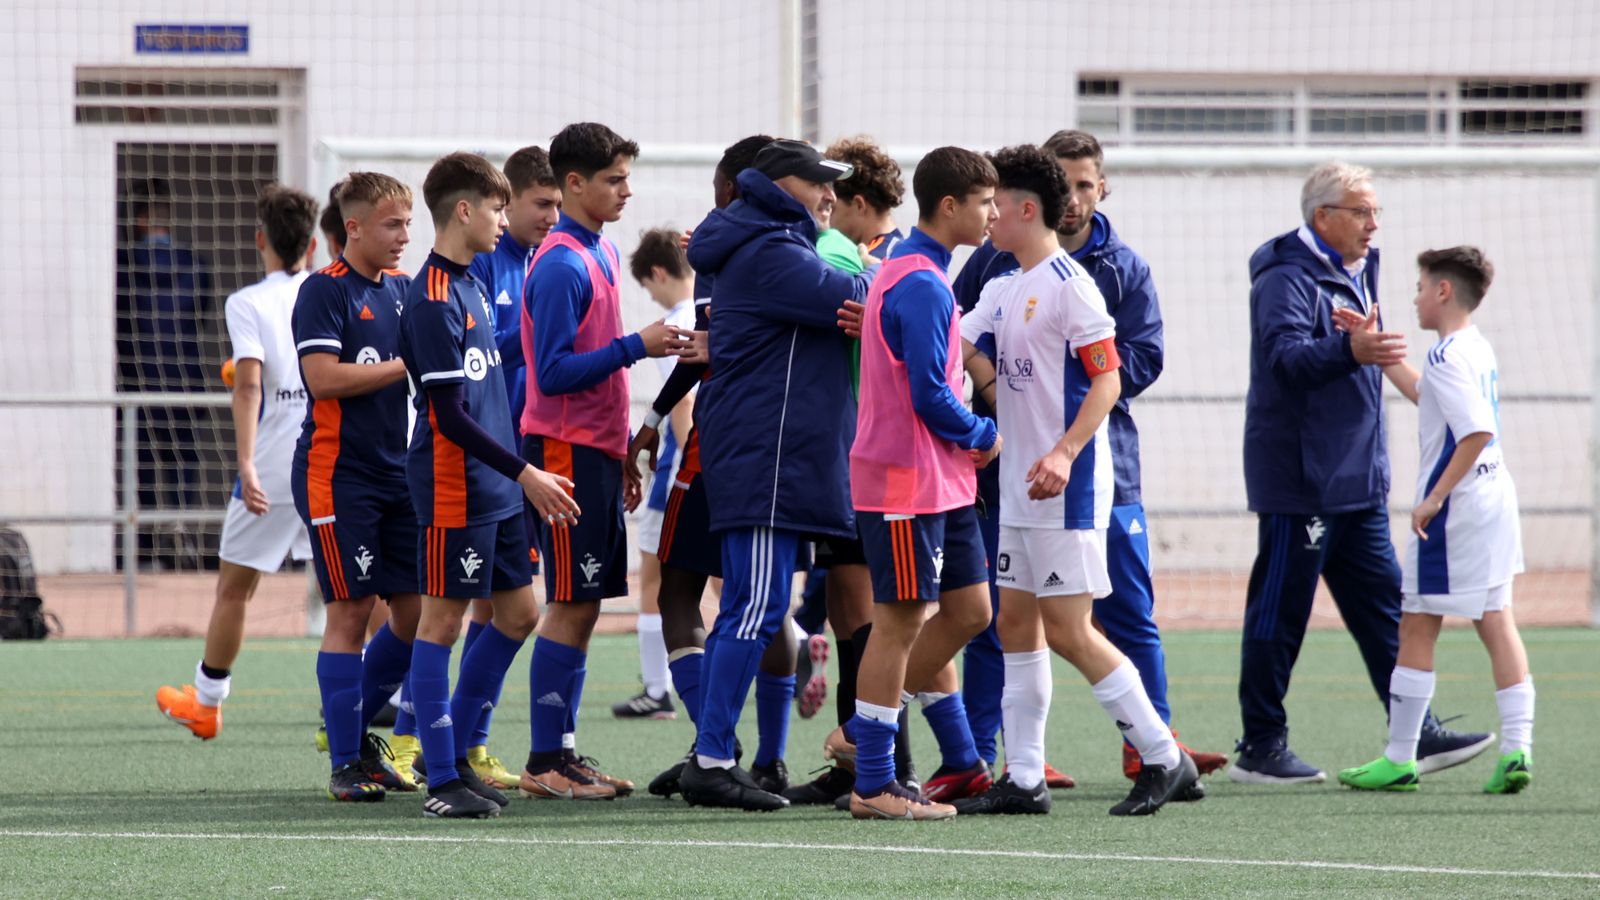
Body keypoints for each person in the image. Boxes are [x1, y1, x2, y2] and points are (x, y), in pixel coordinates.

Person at [954, 131, 1226, 784]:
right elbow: (951, 336)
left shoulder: (1075, 288)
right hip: (1016, 485)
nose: (988, 214)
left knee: (1072, 630)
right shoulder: (1002, 286)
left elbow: (1109, 379)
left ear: (1025, 210)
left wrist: (1064, 452)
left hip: (1065, 486)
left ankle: (1164, 759)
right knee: (1015, 624)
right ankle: (1022, 779)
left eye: (998, 202)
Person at [1235, 162, 1492, 784]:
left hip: (1358, 479)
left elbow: (1357, 357)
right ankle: (1261, 746)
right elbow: (1285, 360)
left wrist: (1362, 350)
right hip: (1302, 480)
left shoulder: (1359, 266)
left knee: (1386, 608)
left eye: (1376, 212)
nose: (1374, 224)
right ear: (1324, 218)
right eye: (1362, 212)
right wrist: (1351, 349)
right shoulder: (1284, 277)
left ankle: (1418, 734)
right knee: (1281, 612)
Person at [677, 139, 876, 811]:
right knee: (754, 609)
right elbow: (857, 295)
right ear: (777, 185)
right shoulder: (771, 249)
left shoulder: (770, 241)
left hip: (777, 459)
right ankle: (711, 759)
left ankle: (730, 757)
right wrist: (881, 275)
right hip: (768, 459)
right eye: (817, 182)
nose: (829, 195)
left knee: (759, 610)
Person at [397, 151, 580, 819]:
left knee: (519, 614)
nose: (505, 220)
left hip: (498, 481)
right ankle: (439, 776)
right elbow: (447, 417)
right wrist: (526, 471)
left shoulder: (473, 283)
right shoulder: (432, 299)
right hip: (456, 484)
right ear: (466, 211)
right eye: (499, 208)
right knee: (440, 622)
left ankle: (464, 753)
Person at [517, 122, 688, 801]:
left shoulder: (598, 249)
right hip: (560, 450)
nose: (626, 190)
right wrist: (638, 346)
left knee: (584, 605)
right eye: (614, 179)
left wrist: (619, 449)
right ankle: (544, 761)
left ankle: (561, 754)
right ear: (575, 184)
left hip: (590, 449)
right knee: (569, 602)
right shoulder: (560, 262)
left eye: (626, 177)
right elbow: (552, 374)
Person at [1336, 247, 1532, 795]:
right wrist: (1380, 354)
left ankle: (1400, 758)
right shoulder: (1472, 347)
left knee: (1416, 624)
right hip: (1496, 498)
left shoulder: (1447, 353)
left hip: (1460, 511)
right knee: (1497, 620)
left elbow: (1474, 432)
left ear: (1443, 291)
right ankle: (1518, 749)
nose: (1416, 296)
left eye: (1421, 286)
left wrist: (1434, 497)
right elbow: (1429, 396)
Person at [844, 146, 1002, 820]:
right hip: (906, 483)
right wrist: (985, 433)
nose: (994, 214)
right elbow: (932, 397)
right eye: (985, 202)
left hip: (943, 481)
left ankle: (865, 731)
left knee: (971, 612)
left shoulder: (918, 271)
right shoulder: (920, 281)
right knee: (901, 622)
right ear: (950, 206)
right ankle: (874, 780)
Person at [155, 185, 319, 739]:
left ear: (260, 242)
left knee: (235, 589)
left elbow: (249, 386)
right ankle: (377, 698)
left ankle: (206, 703)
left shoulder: (247, 303)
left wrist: (245, 463)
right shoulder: (331, 291)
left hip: (273, 465)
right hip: (331, 457)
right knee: (356, 593)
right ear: (315, 245)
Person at [290, 172, 422, 801]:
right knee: (351, 609)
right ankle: (345, 761)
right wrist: (406, 365)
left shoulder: (405, 291)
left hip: (399, 471)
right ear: (356, 228)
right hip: (337, 473)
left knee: (417, 609)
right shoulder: (323, 292)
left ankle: (351, 725)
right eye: (392, 224)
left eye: (408, 223)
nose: (404, 236)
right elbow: (322, 379)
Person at [611, 227, 698, 721]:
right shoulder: (715, 312)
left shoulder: (675, 325)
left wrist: (691, 468)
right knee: (719, 582)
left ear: (659, 274)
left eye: (647, 286)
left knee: (654, 578)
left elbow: (682, 403)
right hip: (724, 460)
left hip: (681, 471)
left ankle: (657, 689)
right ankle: (793, 641)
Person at [116, 187, 212, 568]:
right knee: (182, 464)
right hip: (185, 377)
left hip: (136, 378)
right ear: (165, 219)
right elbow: (200, 316)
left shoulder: (122, 264)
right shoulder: (195, 264)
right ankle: (182, 544)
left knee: (138, 465)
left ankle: (142, 551)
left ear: (140, 221)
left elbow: (119, 319)